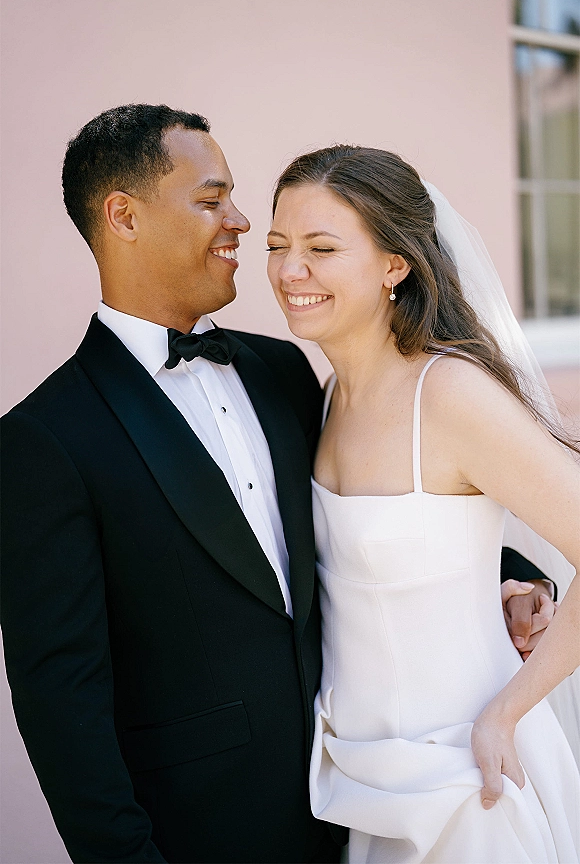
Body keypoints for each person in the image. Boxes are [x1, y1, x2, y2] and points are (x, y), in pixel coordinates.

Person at [0, 106, 556, 864]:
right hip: (214, 829)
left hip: (381, 796)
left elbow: (361, 534)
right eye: (211, 199)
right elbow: (61, 703)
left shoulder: (285, 373)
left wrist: (510, 579)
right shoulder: (47, 439)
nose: (237, 221)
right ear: (123, 216)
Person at [267, 145, 580, 864]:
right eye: (278, 245)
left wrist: (507, 712)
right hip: (356, 781)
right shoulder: (324, 399)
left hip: (472, 783)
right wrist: (511, 586)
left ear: (393, 265)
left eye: (321, 248)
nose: (290, 271)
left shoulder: (450, 395)